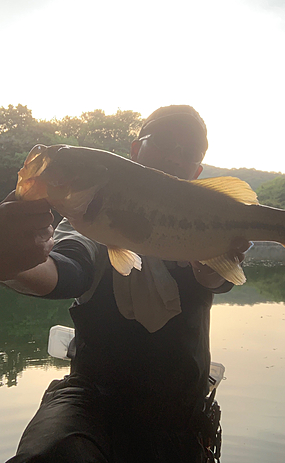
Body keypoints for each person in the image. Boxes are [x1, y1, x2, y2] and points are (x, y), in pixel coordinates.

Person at [3, 105, 250, 463]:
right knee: (53, 454)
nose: (174, 157)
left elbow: (217, 279)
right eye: (163, 142)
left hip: (182, 413)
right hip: (91, 402)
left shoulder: (208, 226)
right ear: (135, 149)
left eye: (189, 153)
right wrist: (8, 262)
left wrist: (212, 267)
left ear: (197, 171)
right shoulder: (90, 221)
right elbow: (63, 270)